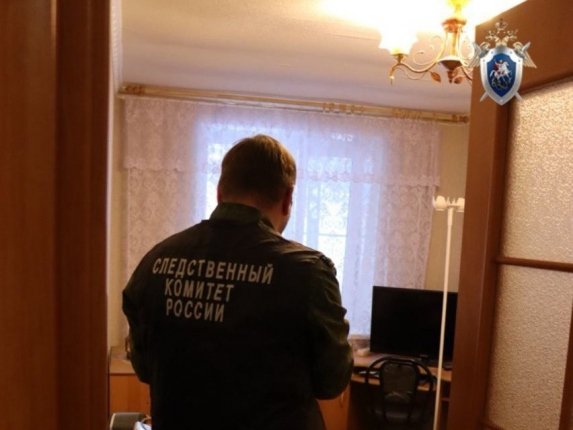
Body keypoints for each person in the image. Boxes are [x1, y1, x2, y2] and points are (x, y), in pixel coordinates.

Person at [123, 134, 353, 430]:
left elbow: (145, 368)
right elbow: (332, 380)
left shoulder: (155, 262)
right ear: (287, 199)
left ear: (220, 192)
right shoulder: (308, 271)